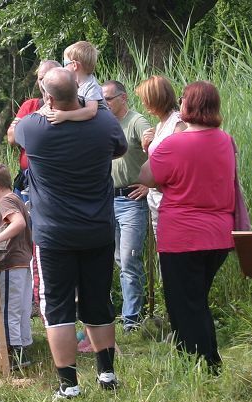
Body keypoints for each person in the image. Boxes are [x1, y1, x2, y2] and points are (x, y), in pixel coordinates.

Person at [15, 67, 127, 399]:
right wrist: (84, 111)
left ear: (47, 97)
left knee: (58, 307)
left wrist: (55, 109)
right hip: (98, 228)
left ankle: (69, 385)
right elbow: (118, 149)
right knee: (98, 302)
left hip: (54, 233)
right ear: (78, 88)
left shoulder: (32, 128)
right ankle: (107, 375)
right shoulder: (105, 123)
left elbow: (19, 134)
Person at [139, 81, 234, 373]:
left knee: (185, 305)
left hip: (182, 236)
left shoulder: (174, 144)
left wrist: (150, 151)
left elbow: (146, 176)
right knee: (196, 301)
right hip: (219, 235)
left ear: (188, 106)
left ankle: (207, 365)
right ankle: (192, 360)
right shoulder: (225, 140)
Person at [102, 80, 151, 332]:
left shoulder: (137, 121)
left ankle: (131, 319)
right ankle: (115, 315)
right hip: (107, 199)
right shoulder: (105, 124)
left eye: (108, 99)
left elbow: (158, 150)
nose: (104, 103)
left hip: (131, 200)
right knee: (115, 259)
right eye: (102, 99)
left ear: (123, 98)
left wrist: (150, 185)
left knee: (130, 260)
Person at [0, 163, 34, 370]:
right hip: (22, 263)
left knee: (5, 312)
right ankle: (23, 352)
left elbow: (18, 223)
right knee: (20, 311)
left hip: (11, 263)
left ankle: (10, 355)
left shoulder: (5, 201)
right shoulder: (16, 198)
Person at [135, 76, 186, 237]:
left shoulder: (178, 123)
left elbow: (179, 161)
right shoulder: (160, 124)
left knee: (172, 246)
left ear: (157, 98)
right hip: (156, 197)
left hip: (169, 198)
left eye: (146, 99)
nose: (143, 103)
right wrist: (146, 146)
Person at [6, 60, 61, 203]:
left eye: (48, 78)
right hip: (26, 180)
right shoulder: (30, 105)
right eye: (40, 78)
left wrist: (26, 129)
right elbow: (11, 138)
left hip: (53, 181)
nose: (43, 83)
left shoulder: (69, 108)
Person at [41, 41, 106, 125]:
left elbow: (91, 111)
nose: (63, 67)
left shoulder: (90, 86)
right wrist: (45, 108)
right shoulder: (75, 84)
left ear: (75, 65)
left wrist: (65, 116)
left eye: (65, 63)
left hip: (100, 123)